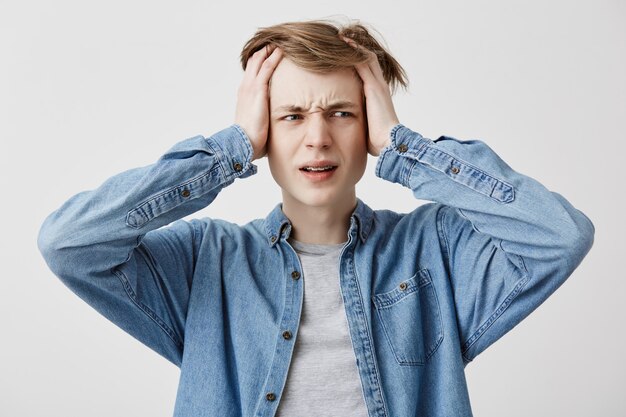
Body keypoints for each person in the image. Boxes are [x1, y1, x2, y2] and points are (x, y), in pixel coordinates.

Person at [37, 18, 595, 417]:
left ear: (370, 127)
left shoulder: (437, 251)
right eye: (293, 115)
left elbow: (560, 236)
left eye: (342, 113)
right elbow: (70, 243)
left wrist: (404, 146)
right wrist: (227, 150)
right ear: (264, 136)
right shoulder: (206, 261)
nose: (318, 137)